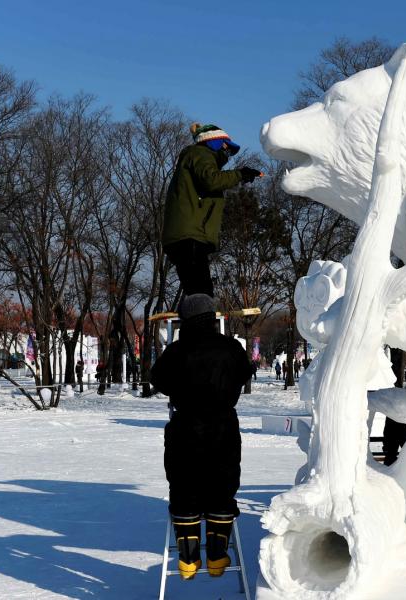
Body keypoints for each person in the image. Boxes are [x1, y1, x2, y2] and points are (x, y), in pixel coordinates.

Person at [150, 294, 253, 580]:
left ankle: (188, 560)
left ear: (185, 319)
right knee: (223, 483)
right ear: (211, 316)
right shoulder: (231, 347)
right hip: (223, 425)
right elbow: (246, 372)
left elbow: (157, 379)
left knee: (184, 484)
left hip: (186, 426)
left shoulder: (177, 351)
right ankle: (218, 556)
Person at [162, 123, 262, 297]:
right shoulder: (201, 154)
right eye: (226, 148)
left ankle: (191, 321)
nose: (228, 154)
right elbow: (212, 180)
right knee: (202, 292)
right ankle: (200, 321)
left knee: (195, 291)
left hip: (185, 235)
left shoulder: (194, 158)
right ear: (214, 143)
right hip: (189, 236)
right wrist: (241, 174)